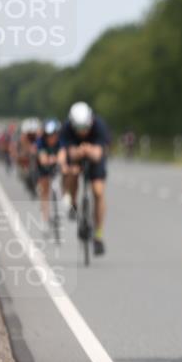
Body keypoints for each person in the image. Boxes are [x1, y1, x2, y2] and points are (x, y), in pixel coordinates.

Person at [61, 102, 111, 255]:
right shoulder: (67, 128)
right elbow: (70, 154)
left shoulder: (99, 126)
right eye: (79, 129)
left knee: (98, 191)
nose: (82, 132)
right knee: (72, 172)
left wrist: (86, 151)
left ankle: (98, 235)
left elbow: (98, 154)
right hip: (77, 155)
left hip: (95, 157)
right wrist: (79, 153)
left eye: (85, 128)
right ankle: (73, 203)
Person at [35, 119, 67, 228]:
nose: (51, 138)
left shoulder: (61, 141)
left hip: (55, 162)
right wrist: (49, 160)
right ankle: (44, 218)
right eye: (49, 135)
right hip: (44, 166)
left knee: (65, 170)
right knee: (45, 190)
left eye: (54, 135)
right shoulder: (41, 141)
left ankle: (64, 194)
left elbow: (62, 155)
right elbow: (42, 158)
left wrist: (59, 161)